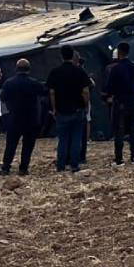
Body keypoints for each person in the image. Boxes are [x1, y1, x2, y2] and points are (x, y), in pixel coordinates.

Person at [47, 44, 92, 172]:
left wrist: (54, 108)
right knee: (76, 138)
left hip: (61, 110)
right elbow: (85, 91)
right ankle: (74, 164)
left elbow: (52, 92)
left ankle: (61, 165)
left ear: (61, 56)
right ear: (73, 55)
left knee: (63, 139)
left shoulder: (55, 72)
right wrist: (86, 105)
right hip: (78, 109)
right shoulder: (80, 71)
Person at [0, 58, 45, 175]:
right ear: (29, 69)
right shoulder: (34, 83)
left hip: (14, 117)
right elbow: (44, 92)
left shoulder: (9, 83)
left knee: (11, 144)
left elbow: (3, 98)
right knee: (28, 145)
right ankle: (23, 168)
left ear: (16, 69)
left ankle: (6, 167)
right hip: (31, 118)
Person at [103, 41, 134, 165]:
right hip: (133, 100)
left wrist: (107, 96)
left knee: (118, 130)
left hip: (120, 101)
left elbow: (109, 87)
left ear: (119, 52)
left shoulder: (115, 69)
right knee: (133, 128)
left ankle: (119, 159)